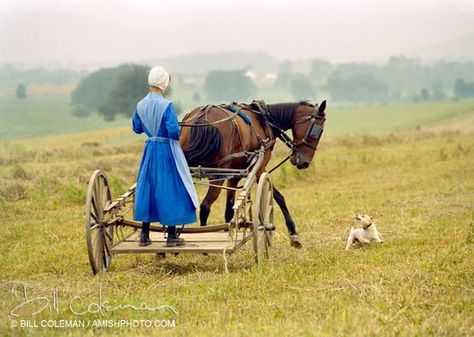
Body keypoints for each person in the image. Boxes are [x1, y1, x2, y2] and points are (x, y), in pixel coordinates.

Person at [132, 66, 199, 247]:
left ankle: (144, 235)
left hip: (150, 150)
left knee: (149, 188)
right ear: (164, 84)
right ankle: (171, 236)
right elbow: (173, 132)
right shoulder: (166, 105)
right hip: (166, 151)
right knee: (171, 189)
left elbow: (136, 128)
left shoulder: (140, 105)